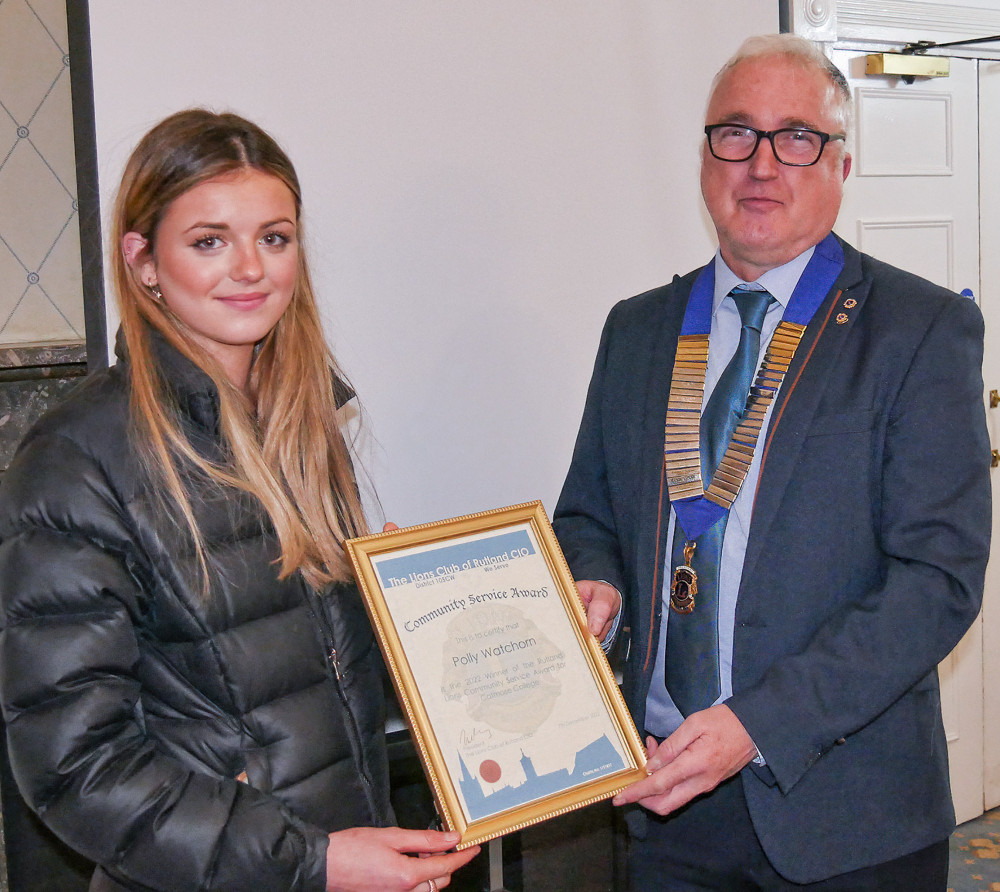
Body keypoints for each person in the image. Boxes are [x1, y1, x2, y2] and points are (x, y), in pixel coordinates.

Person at [554, 34, 990, 890]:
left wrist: (757, 722)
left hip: (845, 816)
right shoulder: (637, 329)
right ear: (705, 156)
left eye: (797, 138)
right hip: (667, 799)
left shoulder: (917, 331)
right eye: (736, 134)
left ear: (841, 164)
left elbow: (937, 580)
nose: (761, 164)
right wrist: (596, 575)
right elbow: (587, 514)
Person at [0, 109, 477, 892]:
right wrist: (314, 863)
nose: (251, 268)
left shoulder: (300, 425)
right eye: (209, 241)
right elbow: (75, 764)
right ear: (144, 260)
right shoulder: (76, 459)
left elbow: (298, 681)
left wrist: (412, 613)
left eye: (275, 237)